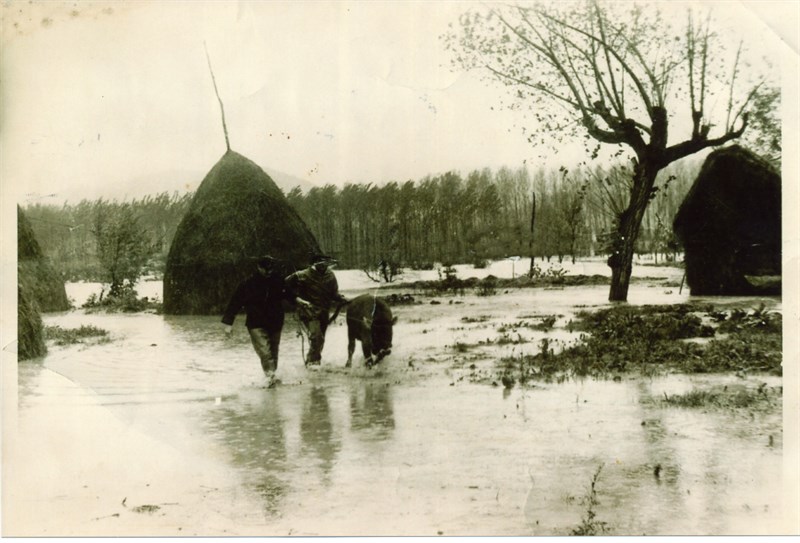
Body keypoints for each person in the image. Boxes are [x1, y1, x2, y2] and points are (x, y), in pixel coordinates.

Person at [221, 256, 287, 386]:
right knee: (264, 351)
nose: (269, 272)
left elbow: (289, 294)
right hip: (256, 323)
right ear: (259, 267)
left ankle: (271, 377)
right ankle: (270, 376)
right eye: (266, 269)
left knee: (274, 352)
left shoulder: (278, 281)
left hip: (275, 322)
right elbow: (235, 303)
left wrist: (301, 302)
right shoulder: (247, 284)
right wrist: (228, 323)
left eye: (271, 269)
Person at [285, 253, 348, 366]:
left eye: (326, 264)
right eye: (321, 264)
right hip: (308, 312)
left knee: (320, 339)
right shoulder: (301, 275)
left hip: (324, 312)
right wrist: (296, 299)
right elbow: (285, 286)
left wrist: (342, 299)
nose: (324, 267)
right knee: (316, 337)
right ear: (314, 264)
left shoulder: (330, 275)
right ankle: (313, 363)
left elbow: (334, 293)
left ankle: (312, 361)